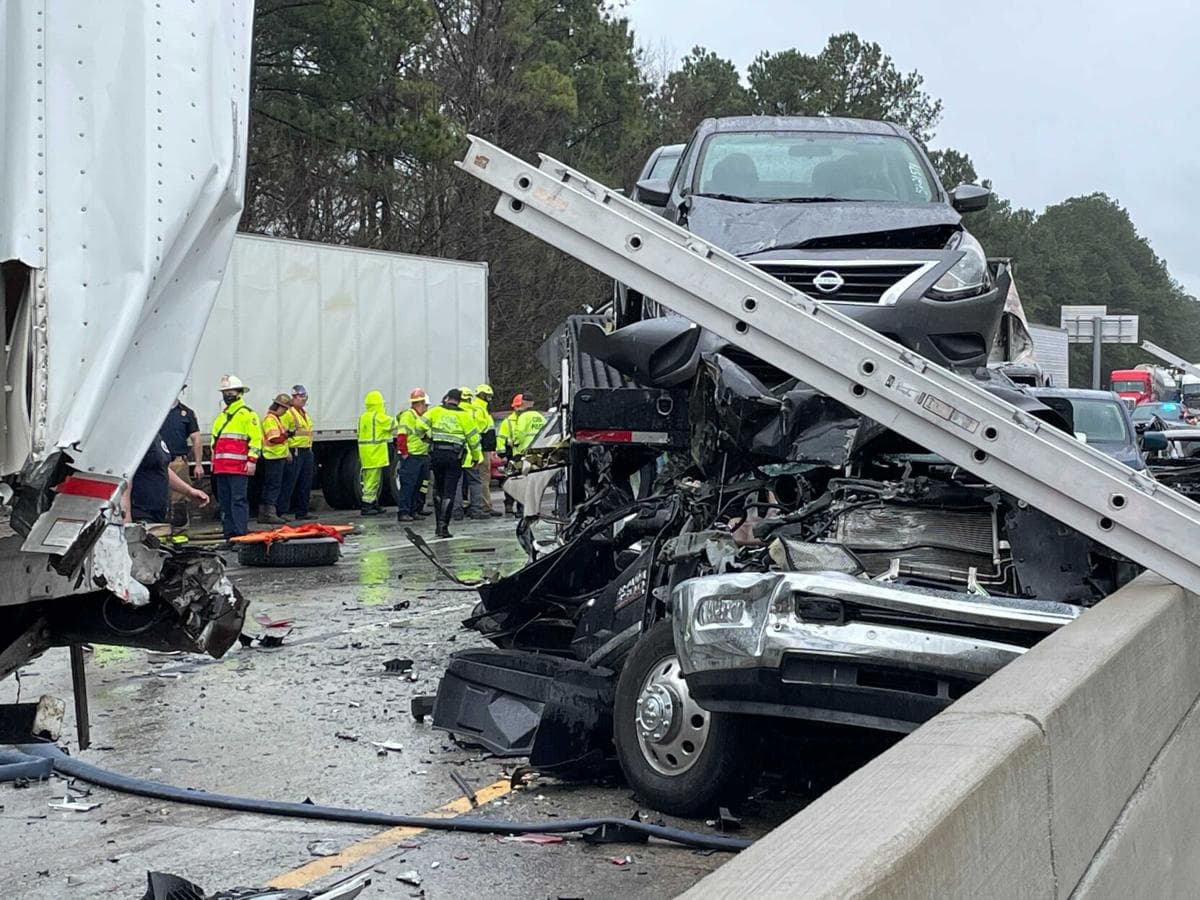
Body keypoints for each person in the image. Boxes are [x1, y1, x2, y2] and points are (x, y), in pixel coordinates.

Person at [211, 375, 262, 541]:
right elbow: (214, 443)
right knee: (225, 503)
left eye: (230, 391)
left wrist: (252, 460)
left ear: (240, 393)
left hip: (238, 467)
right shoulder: (221, 416)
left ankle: (240, 535)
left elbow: (256, 440)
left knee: (238, 501)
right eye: (225, 392)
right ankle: (229, 535)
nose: (227, 395)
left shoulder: (248, 415)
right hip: (221, 467)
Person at [426, 388, 481, 538]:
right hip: (454, 456)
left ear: (447, 398)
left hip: (437, 454)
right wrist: (476, 458)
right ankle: (444, 527)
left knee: (438, 488)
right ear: (459, 400)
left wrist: (426, 438)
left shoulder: (435, 411)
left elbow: (419, 426)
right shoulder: (465, 416)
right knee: (449, 490)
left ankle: (438, 526)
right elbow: (474, 440)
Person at [124, 432, 209, 524]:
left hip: (157, 514)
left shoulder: (154, 435)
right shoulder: (134, 436)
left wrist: (189, 491)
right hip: (139, 514)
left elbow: (162, 468)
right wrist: (126, 515)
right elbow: (125, 474)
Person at [159, 386, 205, 526]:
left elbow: (196, 438)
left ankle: (180, 533)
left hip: (178, 462)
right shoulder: (155, 412)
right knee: (160, 498)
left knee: (179, 500)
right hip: (159, 463)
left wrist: (198, 464)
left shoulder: (187, 413)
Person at [278, 384, 316, 520]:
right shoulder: (288, 413)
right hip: (295, 450)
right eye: (300, 396)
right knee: (290, 482)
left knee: (305, 482)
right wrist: (286, 450)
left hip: (306, 450)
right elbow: (282, 433)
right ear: (293, 398)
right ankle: (280, 511)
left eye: (304, 396)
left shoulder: (303, 413)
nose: (303, 399)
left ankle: (302, 511)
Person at [395, 388, 432, 523]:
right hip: (411, 456)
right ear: (420, 403)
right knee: (408, 485)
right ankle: (404, 511)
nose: (426, 408)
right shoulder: (408, 416)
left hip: (421, 455)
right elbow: (402, 435)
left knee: (420, 484)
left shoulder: (419, 417)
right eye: (426, 405)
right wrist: (404, 452)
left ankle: (415, 509)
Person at [357, 390, 395, 516]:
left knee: (369, 479)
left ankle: (373, 502)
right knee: (373, 481)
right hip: (375, 453)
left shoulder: (363, 417)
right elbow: (394, 425)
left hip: (365, 453)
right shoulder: (378, 417)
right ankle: (367, 505)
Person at [257, 393, 293, 524]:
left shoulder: (275, 419)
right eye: (285, 409)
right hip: (273, 457)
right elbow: (274, 439)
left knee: (274, 485)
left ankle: (270, 512)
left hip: (278, 456)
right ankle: (268, 513)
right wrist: (287, 435)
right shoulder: (270, 420)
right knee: (272, 485)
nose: (285, 412)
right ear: (280, 407)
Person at [471, 384, 502, 517]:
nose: (489, 398)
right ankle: (485, 505)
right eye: (487, 396)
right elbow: (481, 429)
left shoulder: (480, 408)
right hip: (480, 447)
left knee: (480, 477)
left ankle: (483, 505)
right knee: (483, 477)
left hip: (481, 447)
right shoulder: (478, 408)